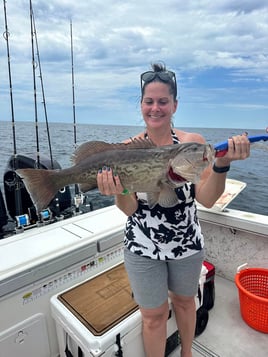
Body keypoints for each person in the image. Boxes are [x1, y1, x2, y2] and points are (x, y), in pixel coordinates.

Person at [97, 62, 250, 357]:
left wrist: (221, 164)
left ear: (175, 104)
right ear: (141, 105)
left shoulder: (193, 144)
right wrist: (121, 189)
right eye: (149, 101)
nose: (156, 108)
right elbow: (129, 210)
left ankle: (187, 353)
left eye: (163, 101)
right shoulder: (126, 149)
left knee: (184, 303)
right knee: (153, 317)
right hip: (142, 246)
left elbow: (206, 199)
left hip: (186, 245)